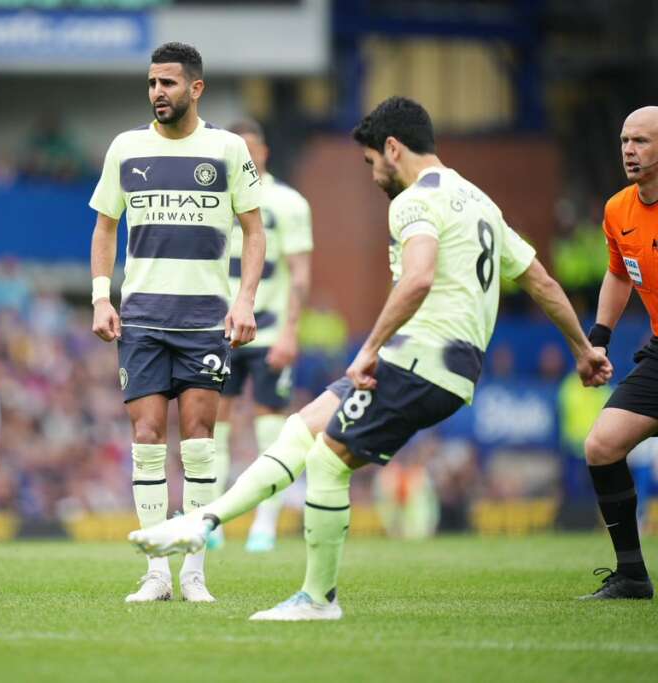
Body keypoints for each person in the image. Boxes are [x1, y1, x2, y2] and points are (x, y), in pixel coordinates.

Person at [129, 96, 611, 619]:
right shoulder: (478, 202)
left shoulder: (413, 201)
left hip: (420, 360)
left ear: (393, 148)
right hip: (437, 365)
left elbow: (418, 277)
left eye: (371, 161)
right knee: (300, 429)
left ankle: (316, 599)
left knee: (326, 460)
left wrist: (370, 348)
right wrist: (583, 350)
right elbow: (541, 281)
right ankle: (201, 523)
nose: (373, 173)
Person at [90, 42, 266, 602]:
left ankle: (194, 573)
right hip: (142, 319)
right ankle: (156, 574)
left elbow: (254, 230)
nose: (157, 92)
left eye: (167, 83)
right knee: (145, 438)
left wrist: (245, 300)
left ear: (196, 88)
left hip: (203, 320)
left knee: (198, 441)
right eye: (151, 83)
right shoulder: (126, 148)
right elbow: (104, 227)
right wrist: (100, 298)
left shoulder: (228, 148)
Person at [210, 119, 313, 553]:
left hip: (270, 332)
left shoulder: (288, 203)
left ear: (265, 152)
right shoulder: (214, 198)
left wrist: (291, 331)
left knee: (270, 429)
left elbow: (301, 274)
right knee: (212, 429)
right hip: (219, 331)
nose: (247, 158)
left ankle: (265, 525)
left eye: (252, 149)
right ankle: (211, 523)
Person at [579, 105, 658, 600]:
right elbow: (618, 272)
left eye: (641, 141)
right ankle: (631, 575)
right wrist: (599, 337)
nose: (630, 150)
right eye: (625, 140)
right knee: (602, 446)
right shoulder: (618, 210)